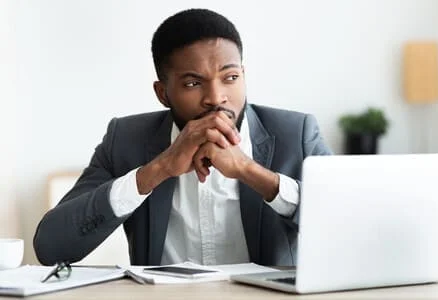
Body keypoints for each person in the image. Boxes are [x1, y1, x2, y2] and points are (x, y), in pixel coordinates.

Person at [33, 8, 332, 267]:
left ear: (244, 74)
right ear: (163, 93)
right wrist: (157, 170)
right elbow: (50, 246)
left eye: (230, 78)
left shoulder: (296, 133)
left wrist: (249, 171)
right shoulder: (125, 139)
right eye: (193, 83)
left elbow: (353, 226)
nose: (216, 98)